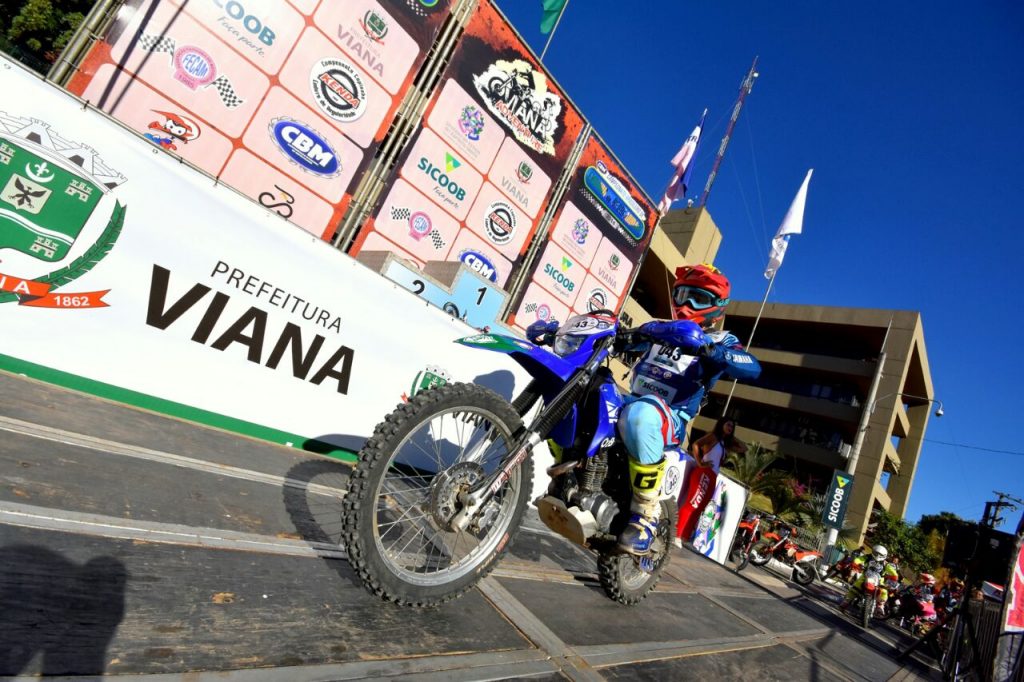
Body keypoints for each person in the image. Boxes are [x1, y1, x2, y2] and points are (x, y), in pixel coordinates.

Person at [530, 264, 761, 557]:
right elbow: (626, 339)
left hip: (670, 416)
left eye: (698, 298)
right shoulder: (661, 328)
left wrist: (712, 352)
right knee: (588, 392)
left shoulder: (719, 340)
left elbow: (752, 367)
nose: (686, 304)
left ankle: (645, 514)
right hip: (633, 400)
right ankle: (566, 477)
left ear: (717, 306)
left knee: (641, 414)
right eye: (682, 295)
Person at [840, 544, 900, 613]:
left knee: (884, 591)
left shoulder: (885, 564)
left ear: (884, 555)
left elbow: (893, 572)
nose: (877, 556)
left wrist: (894, 577)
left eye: (880, 554)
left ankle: (880, 605)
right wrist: (855, 564)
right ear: (873, 551)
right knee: (856, 587)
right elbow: (858, 559)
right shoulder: (868, 557)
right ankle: (846, 601)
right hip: (865, 576)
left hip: (879, 580)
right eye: (876, 553)